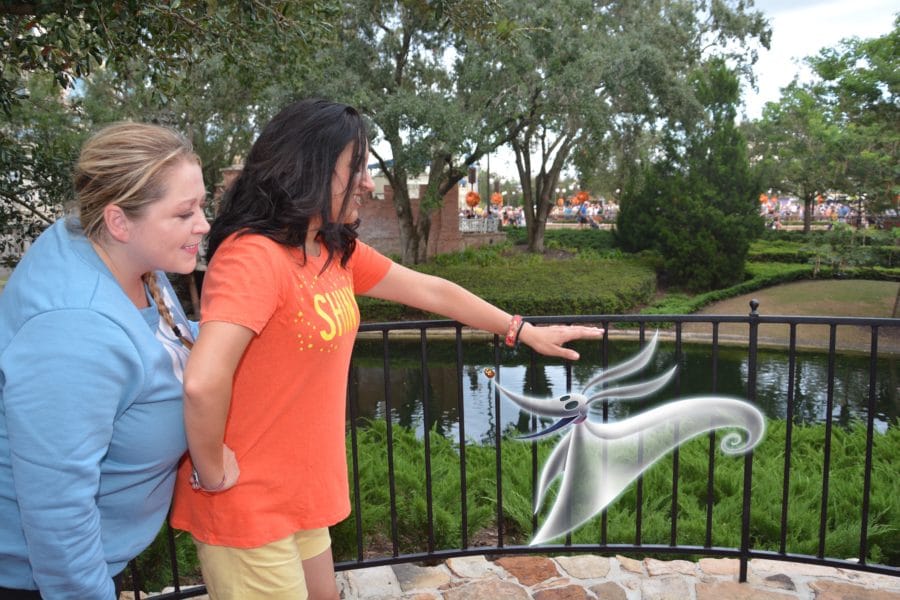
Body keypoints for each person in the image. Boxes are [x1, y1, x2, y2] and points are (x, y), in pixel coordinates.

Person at [169, 98, 603, 600]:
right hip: (248, 506)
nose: (369, 184)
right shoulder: (252, 256)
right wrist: (212, 471)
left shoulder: (333, 249)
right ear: (308, 167)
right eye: (356, 169)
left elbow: (432, 290)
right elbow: (202, 381)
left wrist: (522, 330)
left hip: (300, 494)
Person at [0, 122, 209, 598]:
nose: (203, 223)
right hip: (36, 581)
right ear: (119, 221)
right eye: (184, 213)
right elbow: (57, 517)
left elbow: (168, 342)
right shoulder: (73, 332)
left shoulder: (126, 259)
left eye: (200, 205)